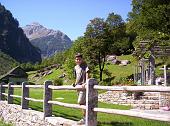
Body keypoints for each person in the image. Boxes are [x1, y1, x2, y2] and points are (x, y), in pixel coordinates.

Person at [73, 53, 89, 125]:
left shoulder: (85, 65)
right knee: (83, 103)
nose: (78, 60)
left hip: (83, 87)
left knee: (80, 102)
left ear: (82, 59)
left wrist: (86, 83)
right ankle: (86, 118)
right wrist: (74, 83)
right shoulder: (76, 67)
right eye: (76, 59)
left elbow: (87, 73)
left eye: (79, 59)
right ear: (75, 60)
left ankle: (85, 118)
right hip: (78, 87)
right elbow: (77, 76)